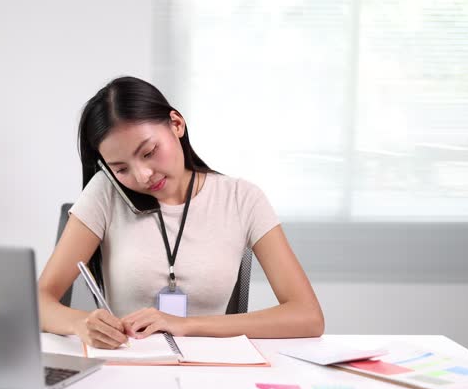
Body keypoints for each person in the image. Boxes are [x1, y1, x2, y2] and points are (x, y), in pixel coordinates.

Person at [38, 76, 324, 349]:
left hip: (212, 371)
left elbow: (307, 316)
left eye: (148, 152)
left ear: (176, 124)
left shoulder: (241, 198)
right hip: (128, 369)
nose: (143, 175)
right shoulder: (105, 193)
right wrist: (80, 323)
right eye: (121, 169)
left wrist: (185, 324)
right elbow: (39, 300)